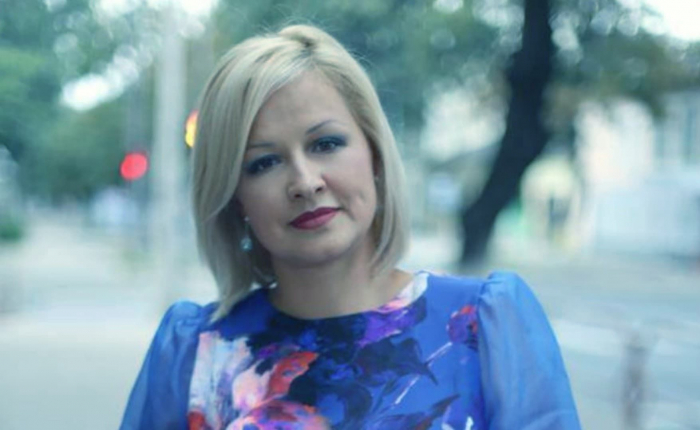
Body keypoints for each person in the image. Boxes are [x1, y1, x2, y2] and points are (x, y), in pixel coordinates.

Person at [120, 24, 581, 430]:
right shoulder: (192, 352)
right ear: (234, 196)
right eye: (263, 163)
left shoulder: (485, 326)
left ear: (374, 154)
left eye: (325, 144)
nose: (305, 182)